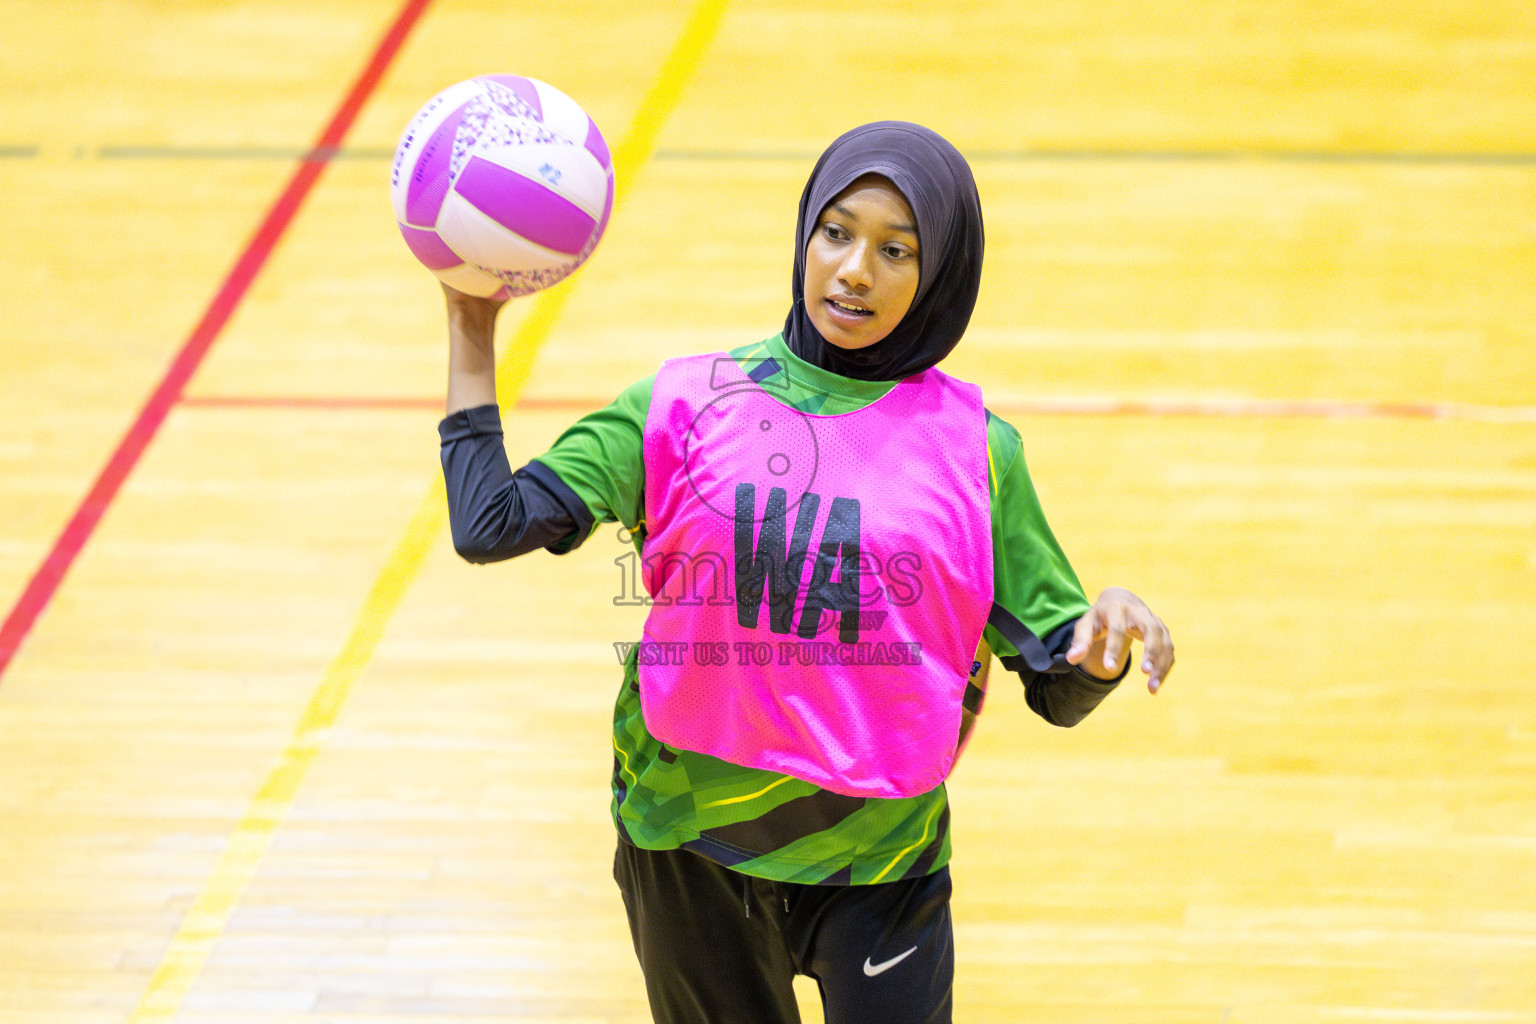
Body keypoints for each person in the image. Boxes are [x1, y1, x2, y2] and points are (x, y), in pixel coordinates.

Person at [436, 121, 1174, 1024]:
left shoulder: (979, 453)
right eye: (837, 232)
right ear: (804, 238)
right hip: (687, 843)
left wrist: (1100, 648)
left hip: (880, 863)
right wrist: (470, 324)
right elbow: (489, 524)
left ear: (940, 273)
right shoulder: (683, 405)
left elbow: (1057, 683)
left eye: (895, 249)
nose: (855, 270)